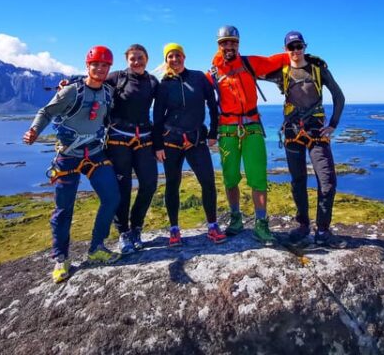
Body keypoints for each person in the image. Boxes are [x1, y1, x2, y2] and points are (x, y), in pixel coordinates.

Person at [23, 46, 121, 283]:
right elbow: (46, 112)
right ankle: (61, 258)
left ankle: (97, 247)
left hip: (95, 153)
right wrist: (34, 130)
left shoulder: (107, 93)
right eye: (96, 64)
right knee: (64, 209)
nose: (100, 68)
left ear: (109, 68)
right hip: (68, 156)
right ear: (88, 66)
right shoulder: (71, 92)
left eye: (105, 65)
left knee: (112, 197)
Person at [208, 25, 289, 245]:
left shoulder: (250, 63)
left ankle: (261, 224)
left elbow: (278, 60)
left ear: (238, 44)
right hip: (227, 131)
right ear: (219, 45)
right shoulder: (212, 73)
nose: (229, 46)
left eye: (233, 42)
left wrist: (301, 54)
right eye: (225, 42)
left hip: (252, 128)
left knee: (258, 178)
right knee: (230, 178)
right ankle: (236, 220)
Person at [266, 31, 346, 248]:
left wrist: (333, 125)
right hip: (292, 132)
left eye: (298, 46)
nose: (295, 50)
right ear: (286, 50)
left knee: (327, 182)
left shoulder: (318, 70)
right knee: (298, 181)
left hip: (316, 132)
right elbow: (252, 70)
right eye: (291, 47)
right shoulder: (281, 72)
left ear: (304, 46)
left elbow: (339, 97)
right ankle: (303, 225)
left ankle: (322, 229)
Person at [153, 43, 227, 247]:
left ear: (184, 57)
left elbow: (213, 106)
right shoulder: (164, 84)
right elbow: (158, 116)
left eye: (177, 55)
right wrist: (157, 145)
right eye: (170, 57)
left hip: (196, 139)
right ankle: (174, 230)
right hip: (171, 141)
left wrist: (213, 133)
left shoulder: (199, 78)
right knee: (172, 185)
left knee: (208, 183)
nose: (174, 60)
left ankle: (212, 226)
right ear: (166, 60)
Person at [104, 44, 159, 255]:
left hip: (144, 139)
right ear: (127, 60)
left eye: (140, 58)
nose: (137, 62)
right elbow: (92, 86)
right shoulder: (116, 78)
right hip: (118, 141)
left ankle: (137, 227)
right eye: (132, 58)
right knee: (122, 188)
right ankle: (124, 232)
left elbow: (163, 107)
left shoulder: (152, 81)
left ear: (147, 59)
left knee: (149, 184)